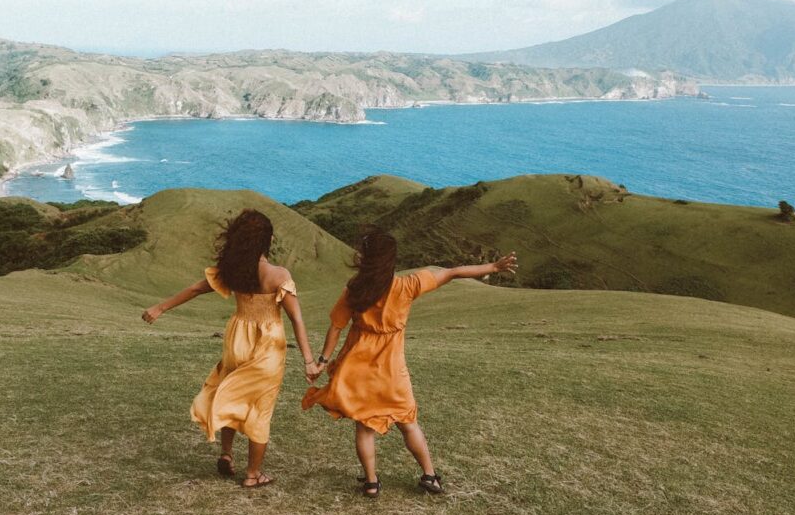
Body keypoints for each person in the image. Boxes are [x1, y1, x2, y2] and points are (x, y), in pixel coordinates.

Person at [302, 228, 516, 497]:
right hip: (391, 370)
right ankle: (429, 476)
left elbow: (336, 327)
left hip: (358, 369)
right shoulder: (406, 285)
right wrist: (493, 267)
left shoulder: (354, 289)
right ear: (391, 260)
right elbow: (452, 272)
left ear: (365, 258)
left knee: (364, 426)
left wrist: (322, 361)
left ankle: (370, 483)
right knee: (408, 422)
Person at [143, 209, 320, 488]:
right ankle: (253, 474)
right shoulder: (278, 275)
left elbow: (195, 289)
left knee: (230, 391)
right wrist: (309, 361)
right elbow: (296, 318)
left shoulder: (233, 271)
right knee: (259, 410)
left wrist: (159, 307)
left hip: (237, 338)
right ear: (267, 240)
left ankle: (226, 453)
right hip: (267, 346)